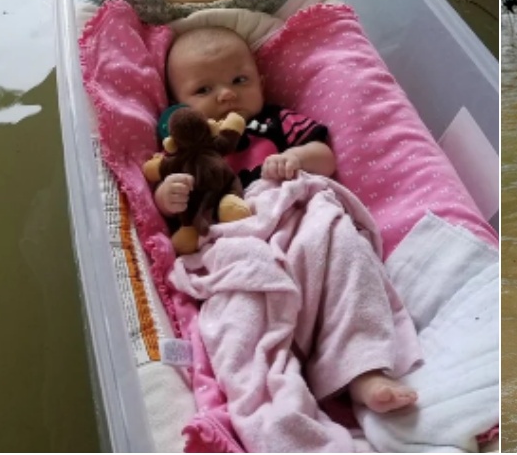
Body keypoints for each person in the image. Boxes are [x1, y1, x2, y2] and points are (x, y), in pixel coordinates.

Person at [153, 24, 419, 413]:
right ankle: (278, 402)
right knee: (239, 313)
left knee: (344, 252)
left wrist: (295, 159)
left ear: (260, 81)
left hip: (295, 215)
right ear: (177, 106)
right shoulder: (188, 149)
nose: (226, 94)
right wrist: (169, 195)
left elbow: (325, 158)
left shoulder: (277, 122)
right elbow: (164, 203)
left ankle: (363, 368)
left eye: (239, 80)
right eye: (203, 91)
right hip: (235, 243)